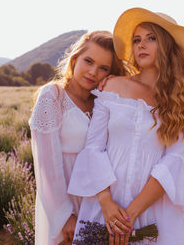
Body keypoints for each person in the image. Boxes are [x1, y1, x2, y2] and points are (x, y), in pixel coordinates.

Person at [68, 7, 184, 244]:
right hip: (106, 206)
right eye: (137, 40)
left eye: (151, 38)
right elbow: (94, 148)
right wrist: (107, 204)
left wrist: (130, 216)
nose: (141, 45)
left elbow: (173, 162)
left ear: (167, 46)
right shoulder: (112, 87)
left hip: (156, 212)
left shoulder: (183, 102)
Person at [29, 30, 130, 245]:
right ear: (75, 58)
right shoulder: (53, 96)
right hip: (64, 199)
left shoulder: (103, 102)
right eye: (88, 61)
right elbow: (47, 166)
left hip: (101, 200)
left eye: (103, 68)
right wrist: (64, 217)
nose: (93, 72)